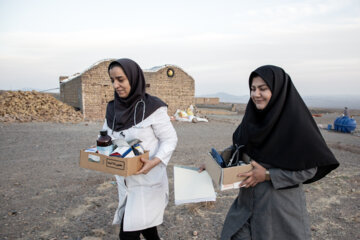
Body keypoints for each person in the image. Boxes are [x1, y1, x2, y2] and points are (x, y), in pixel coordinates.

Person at [219, 65, 339, 240]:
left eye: (263, 89)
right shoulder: (252, 119)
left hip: (278, 211)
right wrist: (214, 161)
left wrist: (267, 175)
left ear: (278, 91)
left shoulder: (297, 126)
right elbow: (240, 146)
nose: (256, 94)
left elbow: (309, 169)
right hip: (246, 205)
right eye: (252, 89)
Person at [102, 58, 178, 240]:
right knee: (148, 229)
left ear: (133, 78)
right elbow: (106, 135)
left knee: (128, 234)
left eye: (121, 79)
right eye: (113, 80)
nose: (116, 85)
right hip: (126, 181)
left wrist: (155, 161)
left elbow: (170, 139)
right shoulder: (113, 109)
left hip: (148, 181)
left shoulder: (153, 108)